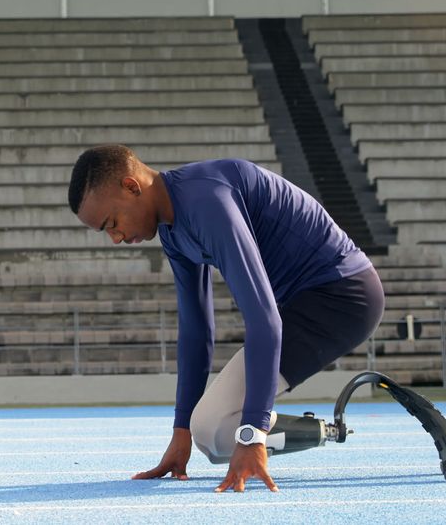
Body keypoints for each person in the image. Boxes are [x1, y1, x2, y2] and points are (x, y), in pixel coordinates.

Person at [67, 144, 385, 493]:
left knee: (222, 428)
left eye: (112, 223)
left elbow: (264, 320)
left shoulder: (207, 202)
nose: (116, 238)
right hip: (300, 304)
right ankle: (318, 430)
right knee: (209, 435)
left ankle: (270, 436)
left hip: (342, 296)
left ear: (131, 186)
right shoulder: (173, 231)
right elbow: (197, 330)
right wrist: (181, 433)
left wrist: (251, 436)